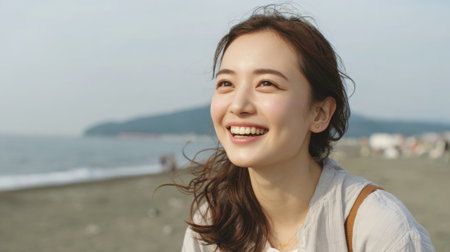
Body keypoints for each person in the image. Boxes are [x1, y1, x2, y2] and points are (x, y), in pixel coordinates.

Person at [177, 6, 434, 252]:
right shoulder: (212, 224)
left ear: (320, 114)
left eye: (266, 83)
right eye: (226, 83)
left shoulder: (378, 228)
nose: (238, 105)